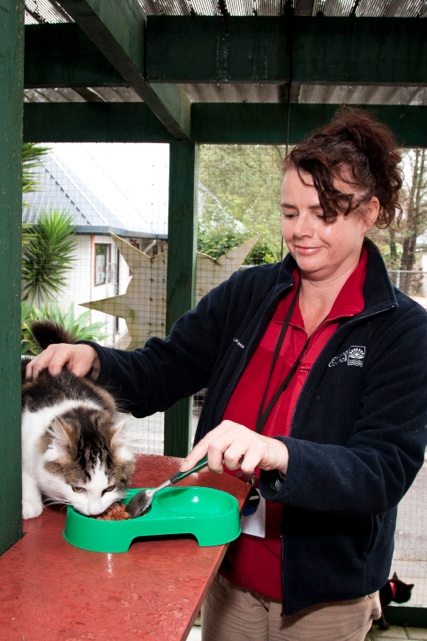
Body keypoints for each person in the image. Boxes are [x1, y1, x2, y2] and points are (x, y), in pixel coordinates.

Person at [27, 107, 427, 641]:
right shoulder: (249, 293)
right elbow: (164, 368)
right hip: (225, 564)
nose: (301, 231)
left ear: (369, 212)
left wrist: (276, 451)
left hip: (326, 593)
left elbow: (382, 471)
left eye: (324, 213)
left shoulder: (403, 331)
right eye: (290, 212)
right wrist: (93, 360)